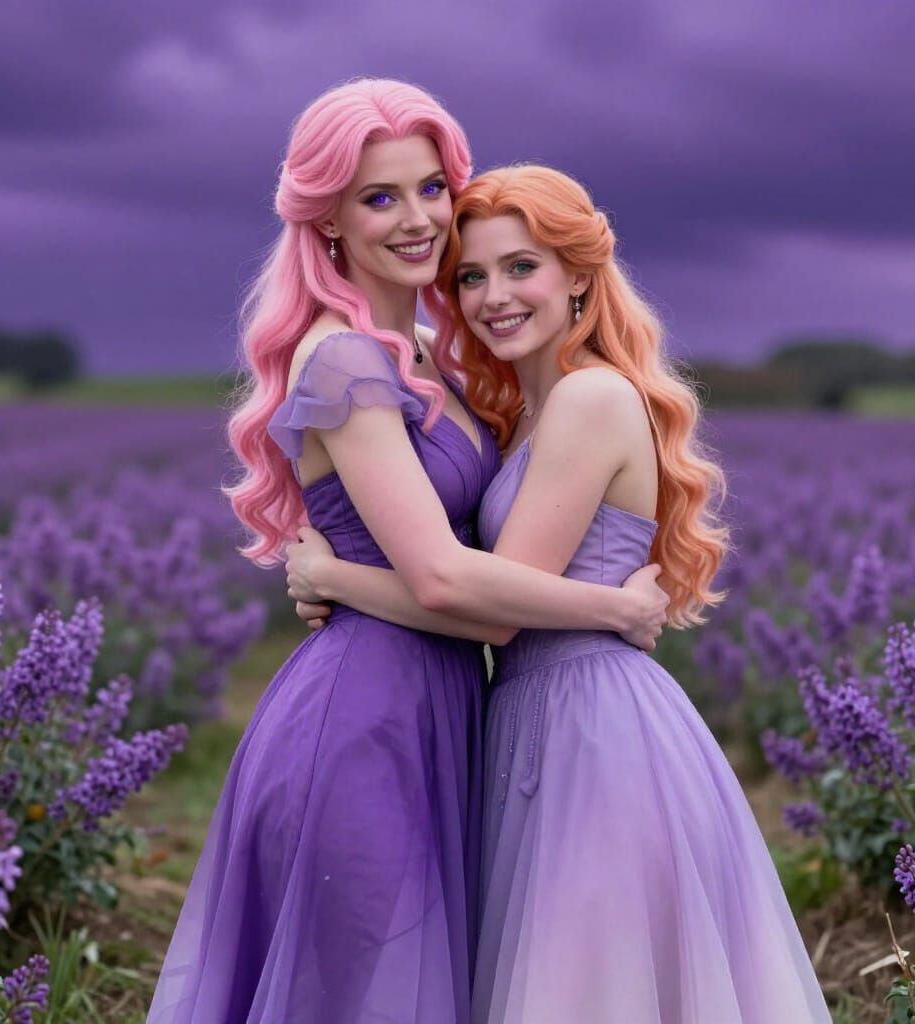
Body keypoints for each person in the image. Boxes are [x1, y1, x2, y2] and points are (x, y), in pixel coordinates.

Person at [148, 81, 668, 1024]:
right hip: (365, 715)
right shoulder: (346, 359)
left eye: (430, 188)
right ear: (329, 219)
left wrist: (333, 575)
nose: (419, 218)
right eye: (379, 197)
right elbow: (438, 575)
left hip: (439, 704)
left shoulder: (428, 352)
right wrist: (617, 607)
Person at [287, 165, 832, 1023]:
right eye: (471, 276)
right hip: (543, 717)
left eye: (521, 267)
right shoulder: (525, 417)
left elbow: (492, 610)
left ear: (577, 274)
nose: (493, 297)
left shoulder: (587, 399)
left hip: (590, 730)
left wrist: (331, 577)